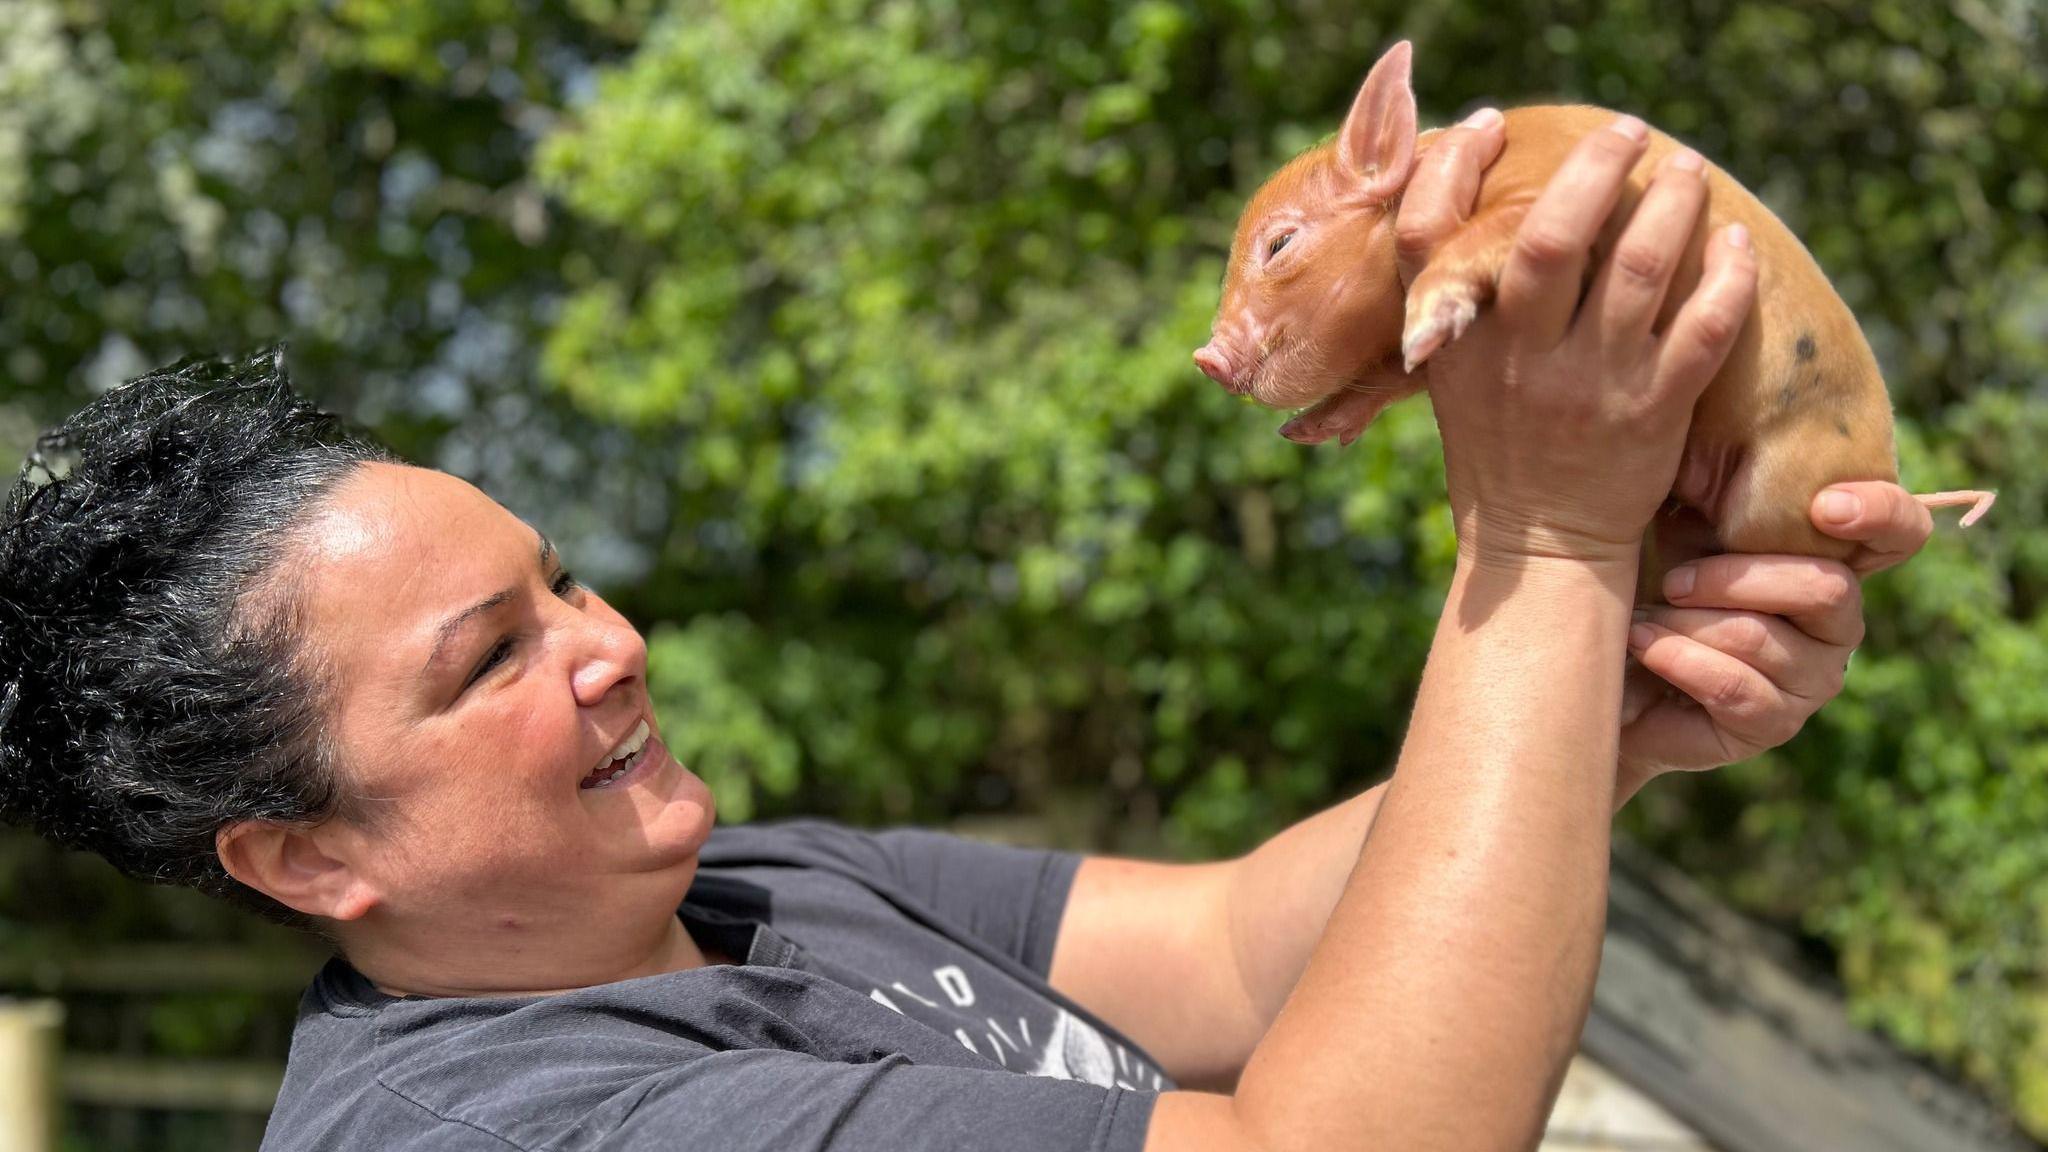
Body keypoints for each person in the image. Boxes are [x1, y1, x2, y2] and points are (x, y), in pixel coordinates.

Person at [0, 111, 1934, 1152]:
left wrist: (1600, 708)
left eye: (562, 582)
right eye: (487, 661)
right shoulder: (526, 1130)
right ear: (304, 854)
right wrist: (1546, 542)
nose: (610, 645)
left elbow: (1254, 947)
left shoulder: (747, 887)